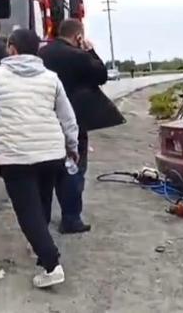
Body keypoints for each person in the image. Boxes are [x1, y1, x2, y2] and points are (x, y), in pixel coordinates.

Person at [0, 29, 79, 289]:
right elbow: (68, 118)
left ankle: (51, 264)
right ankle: (42, 249)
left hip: (13, 155)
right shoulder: (51, 79)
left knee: (28, 211)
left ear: (12, 48)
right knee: (41, 202)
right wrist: (72, 147)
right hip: (50, 152)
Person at [39, 19, 123, 233]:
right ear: (78, 36)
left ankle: (41, 218)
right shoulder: (78, 56)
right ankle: (71, 219)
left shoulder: (42, 54)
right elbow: (101, 75)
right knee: (73, 169)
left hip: (44, 120)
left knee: (45, 170)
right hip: (74, 121)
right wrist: (91, 51)